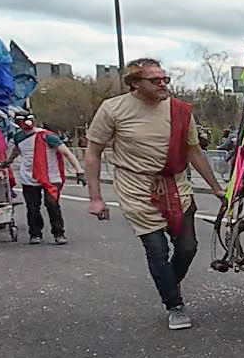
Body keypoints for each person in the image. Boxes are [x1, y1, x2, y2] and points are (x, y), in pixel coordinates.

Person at [84, 60, 224, 329]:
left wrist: (216, 188)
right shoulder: (112, 109)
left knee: (188, 247)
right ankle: (175, 305)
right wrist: (95, 197)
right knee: (157, 250)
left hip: (177, 187)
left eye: (165, 79)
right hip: (136, 190)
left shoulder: (179, 110)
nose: (163, 84)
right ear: (135, 83)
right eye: (155, 80)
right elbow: (93, 152)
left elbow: (194, 151)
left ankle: (167, 283)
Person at [9, 113, 79, 245]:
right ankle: (35, 234)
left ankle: (58, 233)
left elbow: (67, 153)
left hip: (51, 177)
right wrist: (8, 161)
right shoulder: (18, 137)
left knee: (52, 204)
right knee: (32, 207)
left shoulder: (47, 136)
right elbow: (17, 150)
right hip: (29, 177)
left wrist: (79, 171)